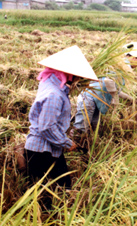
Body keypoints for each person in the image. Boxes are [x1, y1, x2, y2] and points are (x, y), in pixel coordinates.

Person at [24, 45, 97, 209]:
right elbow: (46, 127)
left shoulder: (49, 85)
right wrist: (66, 142)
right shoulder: (54, 95)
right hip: (41, 151)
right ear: (69, 75)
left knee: (50, 192)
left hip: (46, 149)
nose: (78, 80)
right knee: (58, 191)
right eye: (76, 77)